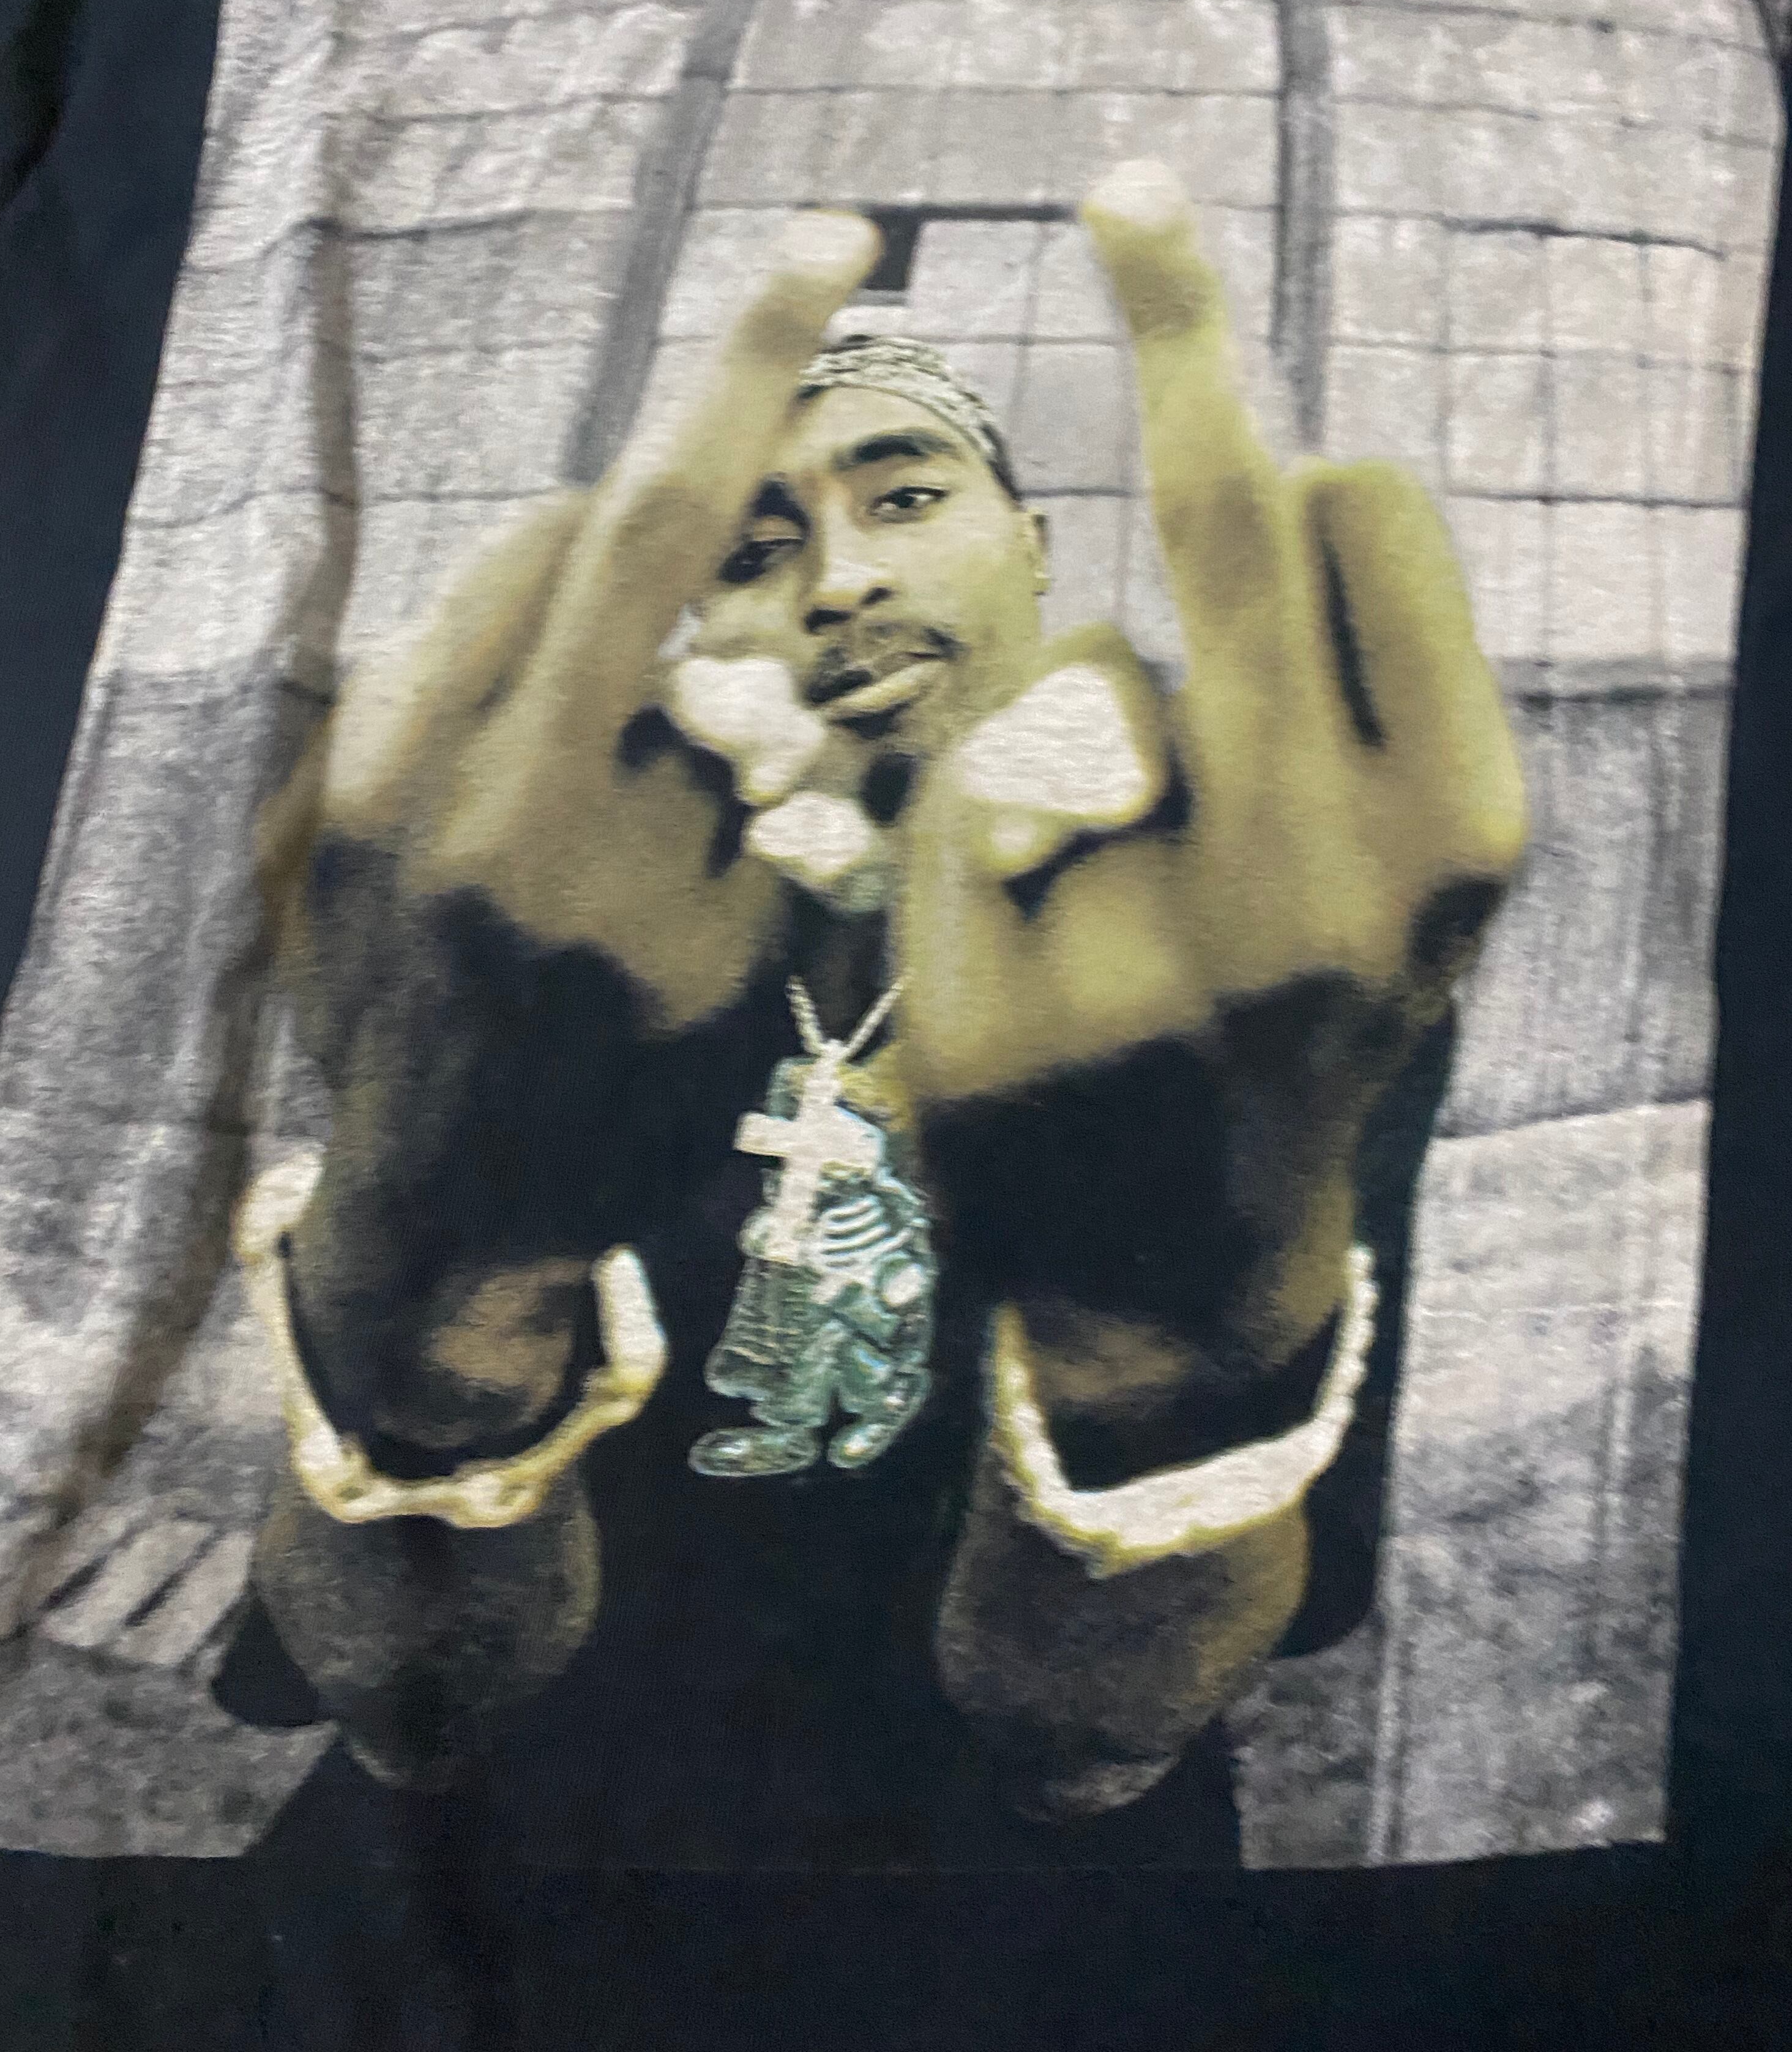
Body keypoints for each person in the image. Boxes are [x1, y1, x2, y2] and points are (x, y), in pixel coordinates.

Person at [217, 157, 1526, 1868]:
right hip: (489, 1892)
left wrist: (1151, 1374)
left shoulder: (1233, 995)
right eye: (754, 549)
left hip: (1029, 1928)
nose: (839, 579)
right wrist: (435, 1325)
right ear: (692, 617)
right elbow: (409, 1717)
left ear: (1034, 549)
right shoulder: (543, 967)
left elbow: (1090, 1756)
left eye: (906, 497)